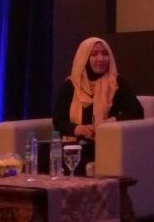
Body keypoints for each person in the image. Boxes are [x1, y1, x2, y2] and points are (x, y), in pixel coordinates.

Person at [52, 36, 144, 172]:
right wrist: (78, 129)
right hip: (73, 144)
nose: (101, 59)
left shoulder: (116, 82)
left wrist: (110, 123)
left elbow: (137, 113)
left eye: (105, 54)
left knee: (81, 158)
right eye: (94, 54)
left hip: (104, 144)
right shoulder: (71, 85)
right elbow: (58, 122)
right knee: (50, 158)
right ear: (84, 58)